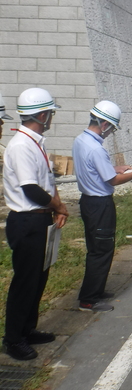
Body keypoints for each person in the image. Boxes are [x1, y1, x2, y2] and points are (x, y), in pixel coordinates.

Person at [2, 88, 68, 361]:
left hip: (39, 219)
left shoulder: (35, 141)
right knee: (25, 281)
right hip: (26, 220)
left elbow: (46, 182)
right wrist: (59, 207)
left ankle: (28, 329)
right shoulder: (21, 145)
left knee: (38, 278)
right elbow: (31, 189)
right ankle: (13, 338)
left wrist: (56, 205)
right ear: (42, 115)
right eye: (50, 113)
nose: (51, 118)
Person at [72, 101, 132, 313]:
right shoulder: (96, 148)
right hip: (99, 204)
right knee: (101, 250)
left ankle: (95, 291)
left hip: (88, 201)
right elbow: (112, 181)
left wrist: (117, 167)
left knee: (96, 247)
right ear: (104, 124)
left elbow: (97, 170)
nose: (110, 132)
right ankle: (88, 299)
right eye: (112, 128)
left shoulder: (81, 141)